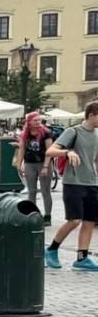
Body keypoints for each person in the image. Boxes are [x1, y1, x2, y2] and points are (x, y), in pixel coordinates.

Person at [44, 101, 98, 271]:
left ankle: (82, 259)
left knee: (89, 221)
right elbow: (50, 151)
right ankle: (51, 250)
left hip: (92, 183)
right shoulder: (72, 132)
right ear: (92, 115)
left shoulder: (97, 134)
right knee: (74, 220)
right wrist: (67, 152)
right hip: (73, 183)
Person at [16, 112, 58, 224]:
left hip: (44, 162)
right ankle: (33, 215)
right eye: (35, 120)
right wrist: (19, 164)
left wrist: (45, 167)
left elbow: (49, 151)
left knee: (45, 191)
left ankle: (47, 216)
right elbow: (21, 150)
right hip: (30, 163)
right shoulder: (25, 134)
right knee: (32, 191)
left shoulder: (46, 132)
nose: (37, 122)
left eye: (39, 120)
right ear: (29, 122)